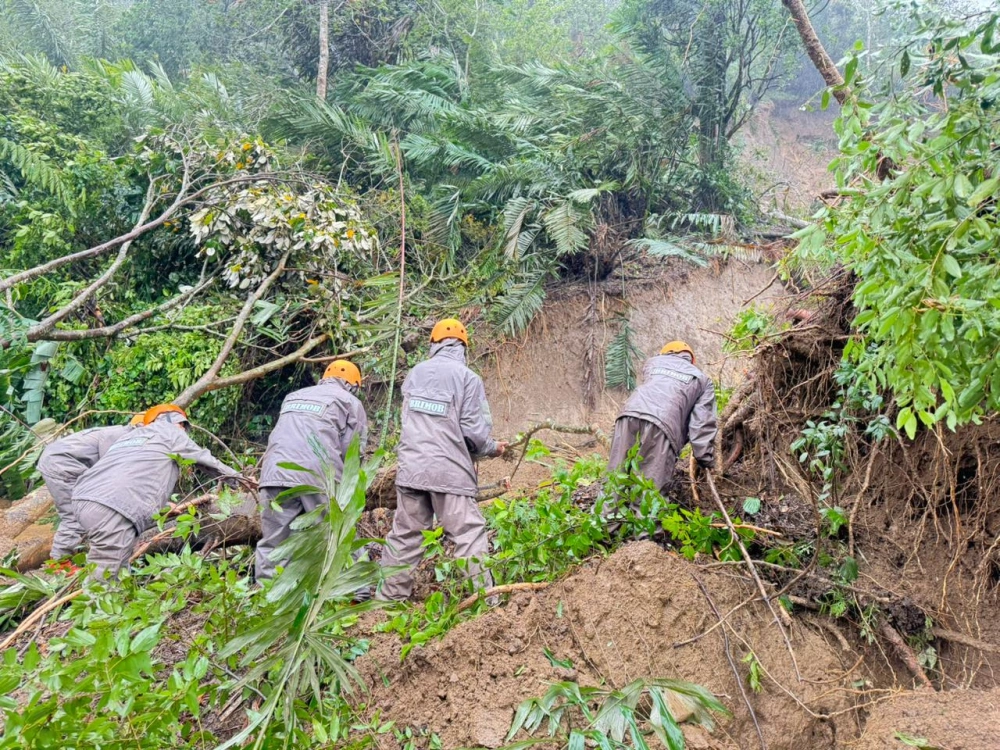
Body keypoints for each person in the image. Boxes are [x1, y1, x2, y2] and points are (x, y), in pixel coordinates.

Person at [377, 318, 507, 601]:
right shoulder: (467, 378)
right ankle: (486, 603)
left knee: (405, 536)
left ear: (433, 345)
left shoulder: (414, 374)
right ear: (463, 346)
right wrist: (493, 448)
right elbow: (474, 433)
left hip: (411, 470)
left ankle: (386, 604)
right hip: (449, 473)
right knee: (467, 533)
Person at [71, 404, 243, 578]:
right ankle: (96, 603)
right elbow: (206, 461)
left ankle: (117, 600)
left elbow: (129, 475)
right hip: (113, 507)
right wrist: (242, 481)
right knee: (105, 578)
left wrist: (160, 505)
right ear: (180, 423)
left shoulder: (131, 437)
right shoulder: (170, 431)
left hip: (83, 498)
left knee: (119, 567)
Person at [255, 360, 369, 581]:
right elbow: (353, 453)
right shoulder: (349, 402)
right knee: (338, 532)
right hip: (317, 475)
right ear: (353, 385)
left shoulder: (294, 396)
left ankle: (267, 598)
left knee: (274, 543)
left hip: (273, 473)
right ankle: (357, 591)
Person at [606, 341, 718, 494]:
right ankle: (641, 517)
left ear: (664, 354)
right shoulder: (702, 379)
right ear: (691, 360)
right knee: (648, 491)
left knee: (614, 479)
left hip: (627, 416)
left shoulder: (651, 364)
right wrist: (704, 457)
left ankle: (605, 515)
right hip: (663, 426)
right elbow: (701, 423)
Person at [36, 413, 144, 561]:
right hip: (62, 466)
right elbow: (114, 474)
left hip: (61, 462)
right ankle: (58, 563)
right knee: (75, 515)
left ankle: (75, 555)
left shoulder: (118, 433)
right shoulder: (119, 437)